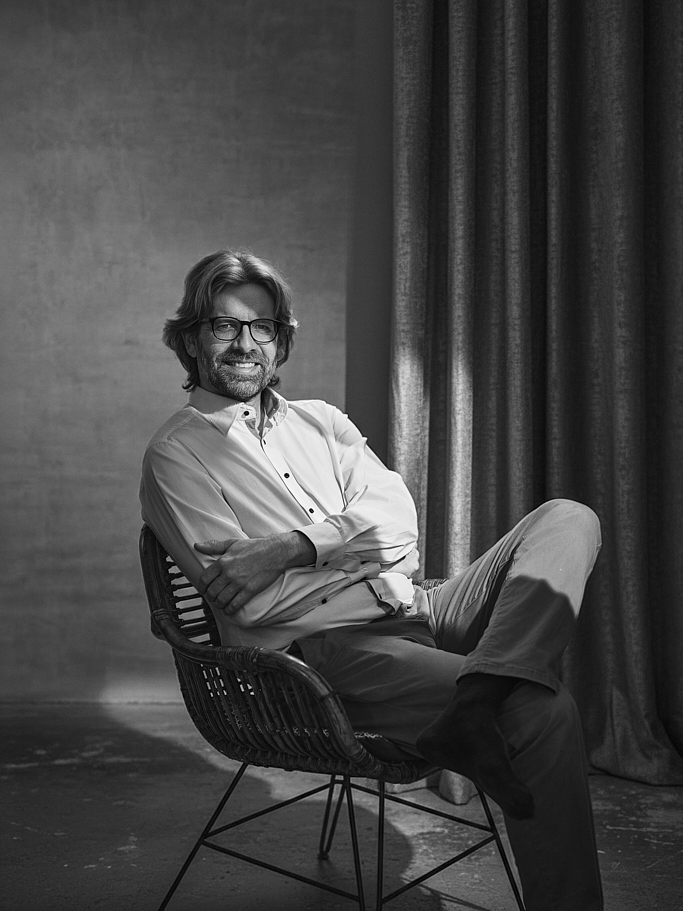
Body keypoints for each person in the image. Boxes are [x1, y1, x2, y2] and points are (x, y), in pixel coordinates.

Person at [140, 249, 604, 911]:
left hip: (417, 606)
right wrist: (353, 549)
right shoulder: (175, 455)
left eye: (262, 326)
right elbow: (255, 604)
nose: (245, 343)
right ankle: (489, 709)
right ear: (191, 339)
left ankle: (475, 701)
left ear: (281, 340)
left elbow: (401, 531)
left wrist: (292, 547)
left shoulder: (323, 421)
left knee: (568, 518)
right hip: (328, 653)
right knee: (542, 712)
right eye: (223, 325)